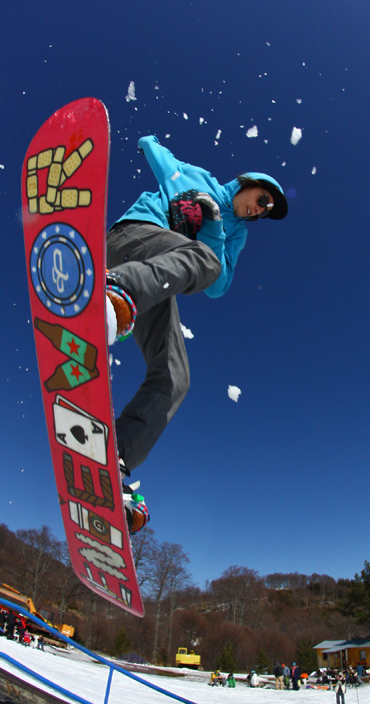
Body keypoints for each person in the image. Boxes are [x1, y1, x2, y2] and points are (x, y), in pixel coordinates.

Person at [105, 136, 288, 531]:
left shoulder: (235, 234)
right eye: (261, 199)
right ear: (247, 183)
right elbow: (160, 156)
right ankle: (113, 292)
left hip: (149, 283)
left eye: (265, 211)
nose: (259, 210)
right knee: (203, 259)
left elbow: (218, 287)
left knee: (176, 377)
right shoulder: (196, 178)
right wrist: (147, 142)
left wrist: (214, 226)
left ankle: (111, 458)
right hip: (131, 238)